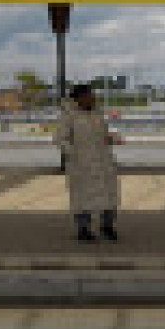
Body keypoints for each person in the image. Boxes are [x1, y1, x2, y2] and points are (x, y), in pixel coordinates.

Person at [55, 83, 124, 241]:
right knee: (82, 198)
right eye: (89, 95)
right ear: (78, 98)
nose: (92, 98)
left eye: (93, 95)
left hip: (103, 160)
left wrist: (110, 138)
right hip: (81, 164)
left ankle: (107, 226)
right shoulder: (68, 116)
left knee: (109, 195)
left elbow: (102, 133)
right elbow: (60, 139)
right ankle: (83, 228)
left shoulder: (96, 113)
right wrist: (75, 155)